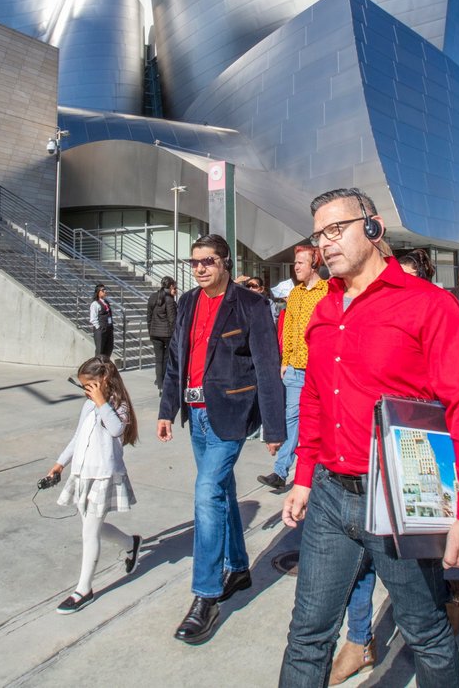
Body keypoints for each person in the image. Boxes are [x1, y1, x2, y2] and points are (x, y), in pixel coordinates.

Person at [279, 188, 459, 687]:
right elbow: (314, 400)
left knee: (425, 633)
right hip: (331, 498)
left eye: (336, 230)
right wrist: (304, 477)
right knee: (307, 635)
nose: (324, 244)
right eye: (319, 235)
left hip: (400, 496)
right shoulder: (323, 309)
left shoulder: (427, 305)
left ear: (373, 227)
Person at [157, 234, 286, 645]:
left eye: (208, 261)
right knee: (223, 491)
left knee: (206, 492)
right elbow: (177, 358)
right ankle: (240, 567)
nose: (199, 268)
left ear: (225, 263)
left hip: (231, 414)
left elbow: (268, 367)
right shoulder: (188, 303)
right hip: (195, 415)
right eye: (193, 262)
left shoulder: (251, 305)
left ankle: (206, 596)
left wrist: (274, 427)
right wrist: (166, 409)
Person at [43, 356, 142, 614]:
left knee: (89, 532)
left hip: (104, 475)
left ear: (103, 381)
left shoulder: (117, 405)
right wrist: (60, 463)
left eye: (88, 385)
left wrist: (101, 403)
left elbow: (116, 429)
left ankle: (83, 590)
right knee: (91, 526)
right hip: (82, 473)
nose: (85, 390)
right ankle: (131, 544)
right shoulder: (88, 406)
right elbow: (78, 438)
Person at [259, 245, 328, 491]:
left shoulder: (327, 292)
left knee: (318, 422)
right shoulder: (295, 295)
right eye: (295, 262)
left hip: (320, 370)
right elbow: (288, 330)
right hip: (296, 369)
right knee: (292, 418)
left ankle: (314, 472)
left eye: (301, 262)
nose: (296, 266)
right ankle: (280, 471)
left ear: (314, 265)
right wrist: (285, 361)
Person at [147, 277, 177, 389]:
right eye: (174, 286)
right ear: (170, 286)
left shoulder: (152, 297)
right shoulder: (169, 299)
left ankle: (159, 383)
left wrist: (150, 331)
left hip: (155, 333)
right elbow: (172, 319)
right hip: (167, 334)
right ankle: (163, 382)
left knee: (158, 359)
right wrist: (175, 334)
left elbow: (148, 316)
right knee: (166, 359)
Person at [88, 284, 114, 358]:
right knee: (100, 350)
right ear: (98, 292)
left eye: (105, 289)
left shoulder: (106, 302)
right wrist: (98, 327)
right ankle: (98, 367)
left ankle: (105, 365)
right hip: (101, 330)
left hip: (109, 328)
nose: (105, 291)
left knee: (109, 348)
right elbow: (93, 318)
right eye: (103, 290)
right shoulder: (95, 304)